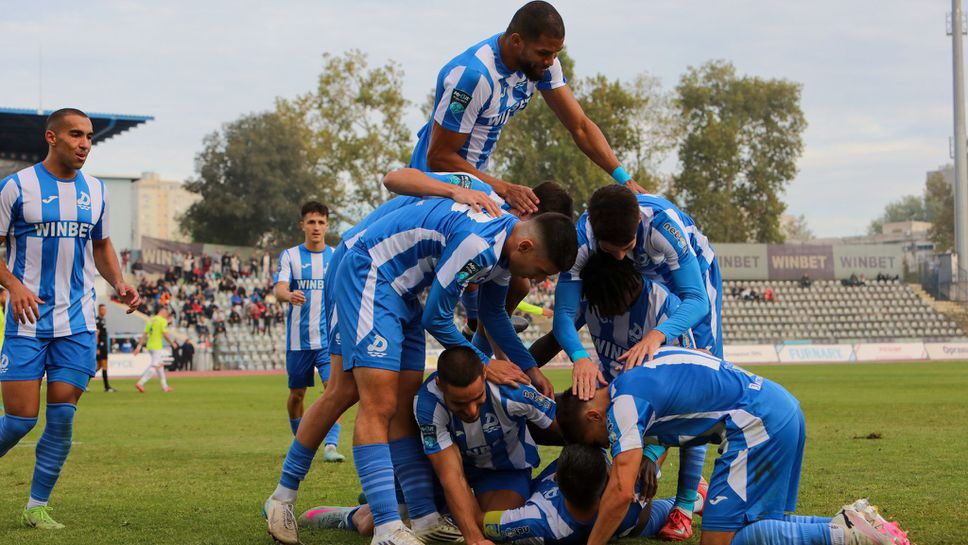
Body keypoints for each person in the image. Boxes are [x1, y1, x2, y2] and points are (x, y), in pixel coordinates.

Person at [265, 197, 577, 545]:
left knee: (400, 402)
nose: (534, 279)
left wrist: (530, 367)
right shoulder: (479, 245)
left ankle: (424, 517)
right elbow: (437, 318)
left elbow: (493, 316)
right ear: (526, 245)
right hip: (371, 273)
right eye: (539, 270)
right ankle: (382, 527)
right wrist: (486, 365)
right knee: (376, 402)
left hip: (403, 290)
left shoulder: (503, 247)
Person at [555, 347, 911, 545]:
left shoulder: (623, 406)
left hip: (755, 426)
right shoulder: (632, 375)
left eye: (599, 441)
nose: (609, 445)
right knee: (761, 526)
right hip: (778, 408)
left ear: (593, 418)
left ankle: (844, 535)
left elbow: (619, 492)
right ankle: (856, 523)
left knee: (723, 542)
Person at [553, 185, 720, 538]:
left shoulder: (664, 228)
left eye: (627, 248)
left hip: (685, 282)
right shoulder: (583, 244)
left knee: (699, 391)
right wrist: (580, 357)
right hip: (624, 289)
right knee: (628, 381)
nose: (618, 257)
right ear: (596, 236)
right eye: (611, 250)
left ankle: (685, 505)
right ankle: (640, 462)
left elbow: (696, 300)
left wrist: (657, 335)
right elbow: (564, 314)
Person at [0, 108, 140, 529]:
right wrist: (13, 285)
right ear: (51, 137)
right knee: (21, 420)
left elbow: (101, 246)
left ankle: (37, 506)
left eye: (89, 137)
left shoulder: (96, 191)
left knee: (62, 418)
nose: (84, 144)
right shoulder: (15, 187)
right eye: (75, 135)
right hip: (27, 320)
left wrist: (119, 282)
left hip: (76, 323)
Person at [409, 1, 646, 215]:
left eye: (556, 53)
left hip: (476, 186)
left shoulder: (543, 64)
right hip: (434, 192)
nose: (550, 61)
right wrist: (505, 189)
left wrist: (624, 179)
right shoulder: (473, 77)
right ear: (516, 41)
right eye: (544, 53)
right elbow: (439, 156)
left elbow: (580, 126)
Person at [414, 346, 557, 542]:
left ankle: (450, 514)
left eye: (477, 398)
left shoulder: (514, 390)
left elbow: (565, 428)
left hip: (503, 471)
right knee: (392, 520)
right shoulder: (427, 402)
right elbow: (451, 474)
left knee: (493, 526)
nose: (471, 411)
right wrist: (474, 540)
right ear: (440, 385)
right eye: (459, 403)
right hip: (453, 471)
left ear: (484, 373)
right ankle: (358, 513)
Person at [482, 444, 702, 544]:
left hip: (630, 522)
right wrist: (651, 457)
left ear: (557, 479)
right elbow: (661, 446)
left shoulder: (537, 520)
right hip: (637, 524)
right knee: (655, 516)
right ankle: (697, 495)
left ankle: (696, 497)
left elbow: (483, 521)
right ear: (608, 479)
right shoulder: (629, 492)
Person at [273, 201, 344, 462]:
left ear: (327, 225)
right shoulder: (290, 256)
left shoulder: (336, 255)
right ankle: (299, 439)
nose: (316, 227)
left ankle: (330, 446)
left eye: (321, 222)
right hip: (298, 340)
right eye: (311, 222)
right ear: (302, 225)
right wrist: (289, 294)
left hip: (328, 339)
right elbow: (279, 288)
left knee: (333, 391)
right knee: (297, 395)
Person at [133, 307, 178, 393]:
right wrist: (172, 343)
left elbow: (144, 335)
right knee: (154, 366)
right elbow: (165, 334)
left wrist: (138, 347)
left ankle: (165, 387)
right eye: (167, 314)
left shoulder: (151, 320)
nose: (167, 316)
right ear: (163, 312)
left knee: (160, 366)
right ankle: (140, 383)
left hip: (150, 345)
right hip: (157, 346)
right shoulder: (162, 321)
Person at [95, 304, 115, 392]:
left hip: (103, 346)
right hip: (101, 346)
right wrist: (97, 347)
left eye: (105, 309)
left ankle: (84, 384)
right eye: (103, 309)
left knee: (98, 366)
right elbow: (96, 334)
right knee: (104, 366)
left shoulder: (103, 320)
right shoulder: (98, 321)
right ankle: (106, 387)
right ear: (99, 310)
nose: (104, 311)